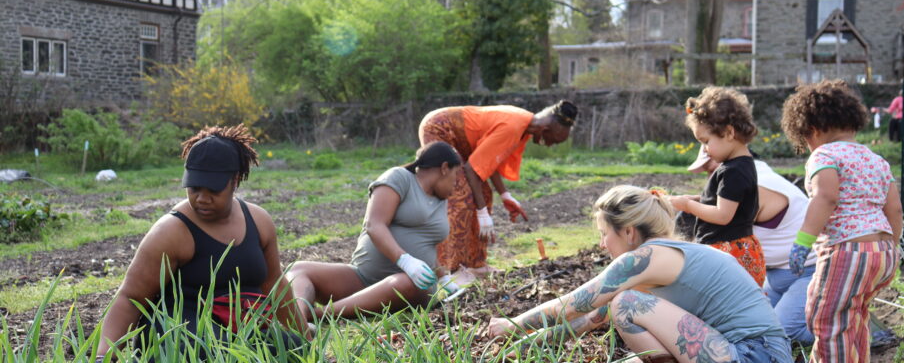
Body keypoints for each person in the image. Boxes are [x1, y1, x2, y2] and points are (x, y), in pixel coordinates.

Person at [486, 185, 792, 363]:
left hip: (754, 354)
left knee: (627, 303)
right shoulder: (665, 259)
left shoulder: (647, 258)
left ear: (629, 231)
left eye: (605, 233)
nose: (602, 243)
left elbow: (573, 304)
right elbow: (589, 318)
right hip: (756, 352)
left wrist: (510, 325)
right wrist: (523, 347)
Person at [97, 125, 306, 359]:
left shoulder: (259, 221)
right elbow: (131, 298)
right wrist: (104, 355)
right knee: (217, 351)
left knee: (293, 348)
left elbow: (274, 283)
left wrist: (303, 336)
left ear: (234, 181)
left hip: (241, 330)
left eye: (213, 190)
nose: (202, 199)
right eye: (195, 188)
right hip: (183, 334)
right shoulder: (171, 232)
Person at [781, 79, 902, 362]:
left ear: (812, 130)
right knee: (855, 316)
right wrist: (892, 247)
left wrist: (802, 243)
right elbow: (894, 209)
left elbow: (826, 198)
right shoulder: (876, 160)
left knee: (827, 319)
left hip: (847, 252)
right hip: (882, 253)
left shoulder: (824, 154)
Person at [285, 142, 462, 320]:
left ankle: (315, 316)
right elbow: (374, 225)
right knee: (299, 269)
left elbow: (425, 245)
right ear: (445, 168)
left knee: (402, 282)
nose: (455, 185)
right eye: (455, 177)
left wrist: (443, 278)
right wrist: (405, 260)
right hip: (363, 278)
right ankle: (295, 321)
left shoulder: (441, 199)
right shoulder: (400, 178)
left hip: (410, 286)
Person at [418, 101, 578, 273]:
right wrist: (482, 213)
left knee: (484, 193)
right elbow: (472, 170)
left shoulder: (524, 126)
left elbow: (488, 161)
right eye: (552, 141)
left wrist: (504, 195)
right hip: (439, 129)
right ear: (545, 130)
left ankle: (475, 264)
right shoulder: (512, 127)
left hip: (459, 141)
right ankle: (451, 269)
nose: (548, 145)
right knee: (460, 194)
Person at [687, 146, 816, 346]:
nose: (710, 178)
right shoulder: (749, 177)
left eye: (711, 169)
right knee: (754, 326)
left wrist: (686, 206)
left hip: (808, 272)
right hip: (775, 276)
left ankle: (845, 331)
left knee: (782, 332)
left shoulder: (757, 184)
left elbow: (723, 235)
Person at [667, 87, 765, 287]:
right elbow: (728, 204)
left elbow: (722, 215)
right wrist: (697, 200)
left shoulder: (733, 171)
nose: (704, 149)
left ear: (729, 132)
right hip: (738, 248)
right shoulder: (742, 165)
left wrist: (688, 206)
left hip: (728, 252)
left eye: (705, 141)